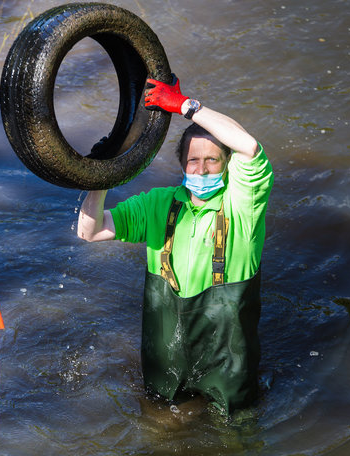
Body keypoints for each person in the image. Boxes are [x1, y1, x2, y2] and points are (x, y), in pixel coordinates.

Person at [76, 75, 274, 413]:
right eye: (193, 160)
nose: (201, 169)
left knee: (236, 436)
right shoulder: (158, 204)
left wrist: (187, 106)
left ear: (227, 166)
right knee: (160, 428)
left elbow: (249, 146)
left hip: (228, 363)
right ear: (182, 164)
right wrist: (100, 177)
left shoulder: (243, 205)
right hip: (168, 356)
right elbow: (90, 231)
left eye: (212, 160)